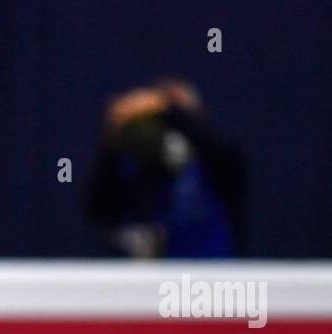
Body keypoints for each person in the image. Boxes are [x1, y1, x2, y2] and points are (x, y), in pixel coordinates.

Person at [84, 77, 246, 257]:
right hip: (149, 280)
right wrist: (115, 129)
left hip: (214, 280)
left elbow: (220, 151)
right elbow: (95, 207)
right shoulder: (131, 168)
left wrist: (166, 107)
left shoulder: (217, 164)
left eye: (178, 113)